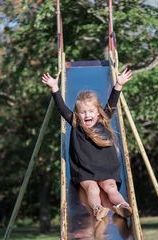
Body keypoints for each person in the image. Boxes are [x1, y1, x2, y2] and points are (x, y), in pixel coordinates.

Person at [42, 68, 133, 221]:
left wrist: (118, 85)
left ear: (98, 112)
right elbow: (62, 108)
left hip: (106, 169)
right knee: (92, 188)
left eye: (91, 111)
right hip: (85, 171)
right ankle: (98, 208)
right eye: (83, 112)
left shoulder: (103, 121)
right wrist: (54, 88)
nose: (87, 115)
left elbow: (112, 103)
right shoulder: (76, 124)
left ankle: (122, 206)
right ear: (78, 114)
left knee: (110, 187)